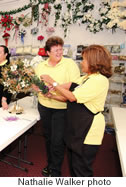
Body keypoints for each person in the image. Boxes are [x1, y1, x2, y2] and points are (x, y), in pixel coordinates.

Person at [41, 45, 112, 177]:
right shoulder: (86, 77)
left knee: (82, 170)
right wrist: (52, 93)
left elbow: (72, 97)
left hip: (88, 131)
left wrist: (53, 82)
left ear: (93, 61)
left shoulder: (99, 80)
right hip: (78, 128)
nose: (81, 62)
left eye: (84, 59)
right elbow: (70, 88)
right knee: (74, 166)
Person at [32, 36, 80, 177]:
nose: (59, 53)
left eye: (61, 49)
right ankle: (51, 164)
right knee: (48, 137)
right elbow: (35, 83)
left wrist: (52, 86)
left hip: (62, 108)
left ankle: (55, 171)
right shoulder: (41, 66)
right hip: (45, 106)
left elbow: (74, 84)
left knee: (57, 141)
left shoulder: (69, 64)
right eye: (55, 51)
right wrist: (39, 88)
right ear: (47, 53)